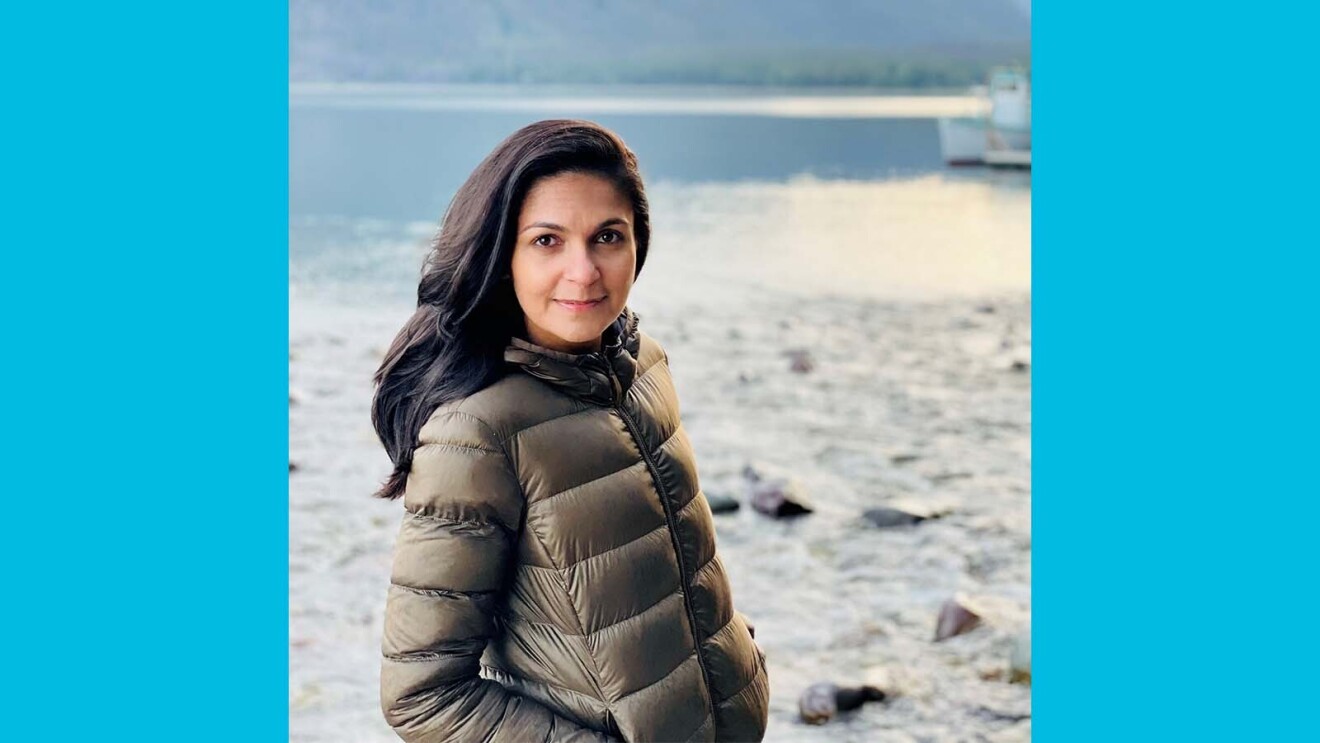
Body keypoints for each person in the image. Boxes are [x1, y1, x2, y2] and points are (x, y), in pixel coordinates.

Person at [370, 119, 770, 742]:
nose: (583, 271)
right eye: (547, 241)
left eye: (607, 236)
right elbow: (422, 694)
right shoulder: (478, 432)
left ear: (639, 241)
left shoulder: (644, 365)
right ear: (502, 254)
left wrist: (740, 659)